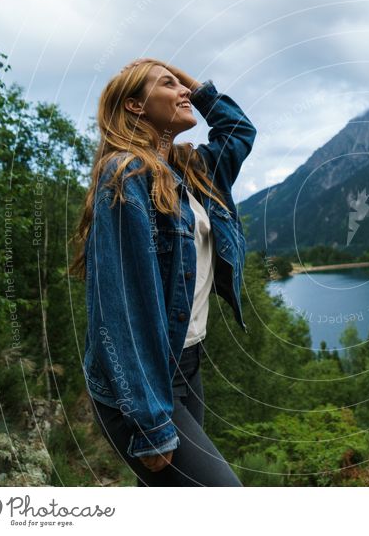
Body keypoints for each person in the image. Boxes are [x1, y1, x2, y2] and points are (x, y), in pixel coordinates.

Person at [69, 58, 255, 486]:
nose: (184, 91)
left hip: (187, 366)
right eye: (168, 85)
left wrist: (177, 74)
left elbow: (239, 131)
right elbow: (120, 310)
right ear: (135, 106)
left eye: (182, 84)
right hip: (141, 383)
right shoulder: (126, 177)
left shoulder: (192, 171)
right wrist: (149, 423)